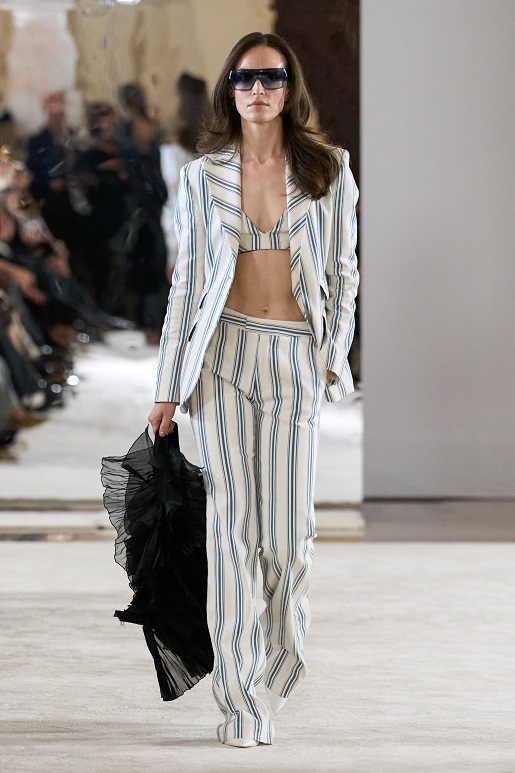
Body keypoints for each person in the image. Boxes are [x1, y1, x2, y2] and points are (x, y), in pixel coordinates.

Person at [148, 31, 359, 747]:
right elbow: (186, 285)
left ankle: (277, 663)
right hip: (224, 358)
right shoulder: (201, 177)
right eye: (244, 78)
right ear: (229, 90)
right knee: (232, 531)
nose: (258, 90)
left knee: (289, 538)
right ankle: (241, 700)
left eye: (270, 77)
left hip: (294, 357)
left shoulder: (329, 168)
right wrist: (168, 385)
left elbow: (344, 273)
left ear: (289, 87)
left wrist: (330, 359)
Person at [160, 73, 210, 283]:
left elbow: (175, 206)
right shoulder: (219, 148)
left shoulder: (172, 154)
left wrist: (173, 254)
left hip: (191, 246)